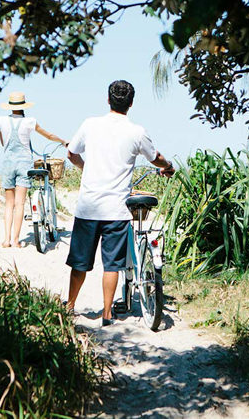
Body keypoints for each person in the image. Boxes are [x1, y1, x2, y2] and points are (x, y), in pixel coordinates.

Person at [65, 80, 175, 326]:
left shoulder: (90, 124)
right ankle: (107, 313)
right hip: (116, 209)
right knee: (112, 265)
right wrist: (168, 167)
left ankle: (70, 306)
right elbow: (155, 157)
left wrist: (85, 167)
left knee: (79, 262)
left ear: (108, 99)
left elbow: (71, 153)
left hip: (88, 206)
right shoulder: (136, 131)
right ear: (131, 103)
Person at [0, 91, 67, 248]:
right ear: (23, 106)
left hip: (8, 163)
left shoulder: (1, 121)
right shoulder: (30, 121)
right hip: (24, 164)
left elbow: (3, 143)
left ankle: (6, 240)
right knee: (20, 204)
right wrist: (62, 141)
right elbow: (48, 135)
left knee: (9, 204)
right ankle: (16, 241)